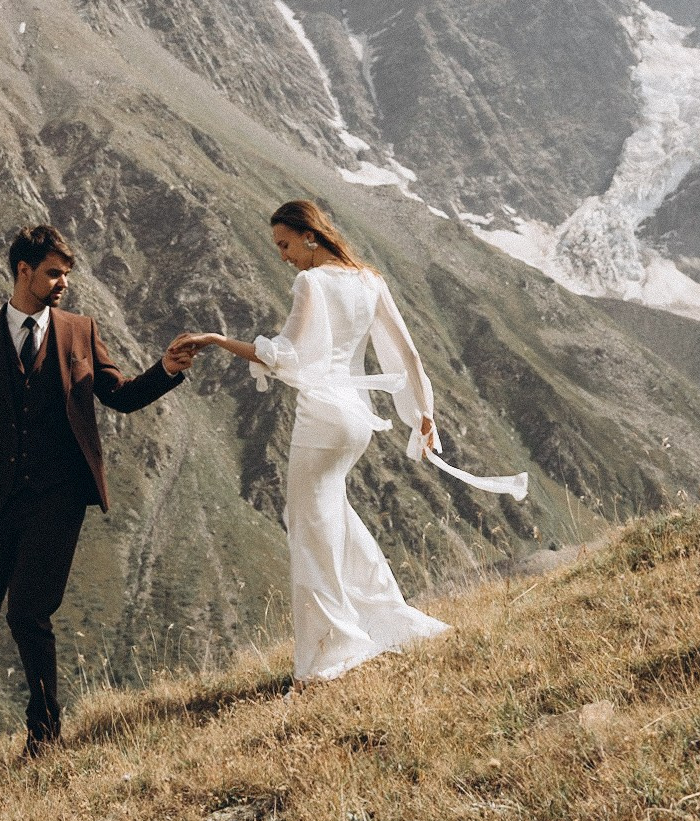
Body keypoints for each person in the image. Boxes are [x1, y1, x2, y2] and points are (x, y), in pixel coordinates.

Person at [195, 200, 527, 683]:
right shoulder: (369, 280)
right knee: (331, 516)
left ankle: (334, 652)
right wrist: (422, 413)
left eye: (286, 245)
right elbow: (407, 353)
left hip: (323, 422)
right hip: (357, 422)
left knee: (309, 528)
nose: (283, 256)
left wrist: (216, 340)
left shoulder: (311, 282)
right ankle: (386, 617)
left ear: (310, 236)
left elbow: (283, 357)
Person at [0, 223, 200, 779]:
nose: (63, 282)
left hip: (58, 502)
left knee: (29, 613)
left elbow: (118, 397)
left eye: (67, 273)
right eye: (53, 272)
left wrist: (166, 371)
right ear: (23, 271)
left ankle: (45, 734)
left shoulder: (80, 331)